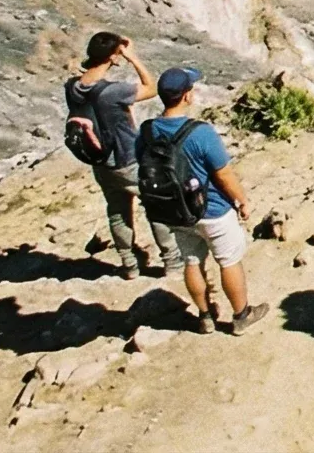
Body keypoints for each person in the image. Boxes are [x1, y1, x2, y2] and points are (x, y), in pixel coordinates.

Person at [140, 67, 269, 335]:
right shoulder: (200, 132)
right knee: (228, 260)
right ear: (186, 96)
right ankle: (241, 315)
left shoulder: (148, 131)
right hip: (212, 210)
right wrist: (242, 200)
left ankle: (205, 315)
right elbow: (223, 174)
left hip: (175, 210)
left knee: (191, 261)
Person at [64, 31, 181, 277]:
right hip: (127, 159)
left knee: (117, 212)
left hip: (100, 162)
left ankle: (129, 265)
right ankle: (172, 262)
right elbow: (152, 88)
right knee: (157, 206)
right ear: (113, 56)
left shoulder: (72, 87)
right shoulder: (112, 92)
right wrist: (132, 57)